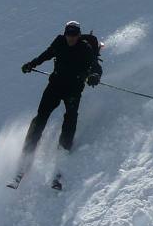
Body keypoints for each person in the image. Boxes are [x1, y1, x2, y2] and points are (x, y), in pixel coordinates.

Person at [19, 21, 102, 165]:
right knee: (41, 116)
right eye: (69, 34)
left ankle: (63, 150)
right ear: (65, 34)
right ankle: (28, 151)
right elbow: (46, 54)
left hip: (73, 89)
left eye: (74, 35)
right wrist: (31, 64)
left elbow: (96, 66)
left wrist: (95, 76)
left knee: (70, 118)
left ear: (78, 35)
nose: (71, 38)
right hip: (55, 86)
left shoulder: (85, 48)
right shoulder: (59, 42)